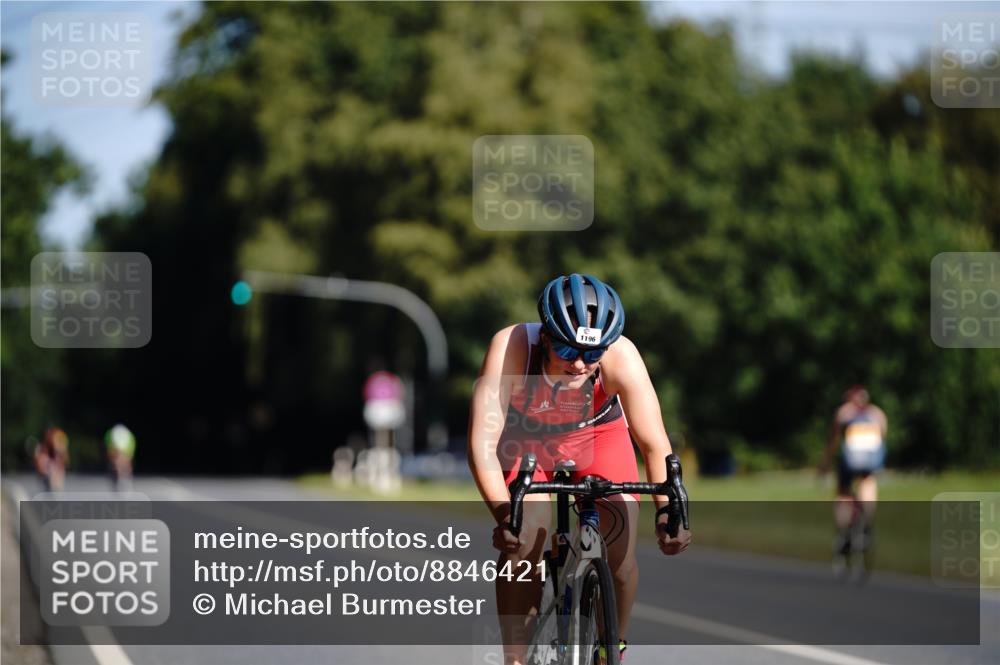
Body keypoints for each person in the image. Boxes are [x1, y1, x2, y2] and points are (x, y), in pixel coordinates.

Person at [468, 274, 691, 665]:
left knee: (620, 551)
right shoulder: (511, 348)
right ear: (545, 338)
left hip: (597, 436)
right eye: (568, 350)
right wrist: (506, 514)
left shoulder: (622, 357)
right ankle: (515, 657)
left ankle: (611, 648)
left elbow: (655, 444)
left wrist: (667, 512)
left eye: (593, 353)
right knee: (525, 537)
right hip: (527, 439)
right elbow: (482, 446)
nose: (580, 363)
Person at [820, 385, 887, 561]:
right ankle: (867, 524)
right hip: (871, 461)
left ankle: (843, 532)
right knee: (868, 482)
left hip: (850, 462)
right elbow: (883, 439)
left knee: (843, 493)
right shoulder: (877, 414)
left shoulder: (844, 412)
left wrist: (825, 463)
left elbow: (833, 442)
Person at [34, 427, 69, 492]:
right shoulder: (41, 450)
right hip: (46, 480)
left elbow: (65, 462)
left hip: (56, 482)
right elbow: (39, 466)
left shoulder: (58, 450)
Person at [106, 423, 137, 491]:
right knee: (116, 463)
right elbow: (109, 451)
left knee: (125, 464)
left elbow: (129, 454)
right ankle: (117, 478)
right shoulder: (110, 437)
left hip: (127, 448)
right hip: (116, 447)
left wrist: (126, 458)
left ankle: (126, 478)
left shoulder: (129, 439)